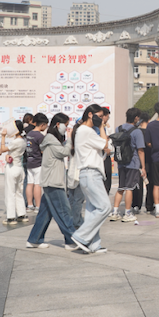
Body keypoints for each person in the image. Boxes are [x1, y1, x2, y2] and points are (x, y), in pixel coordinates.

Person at [26, 113, 77, 249]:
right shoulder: (51, 139)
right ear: (58, 124)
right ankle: (72, 240)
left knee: (44, 214)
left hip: (51, 180)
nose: (67, 128)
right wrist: (70, 139)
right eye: (66, 125)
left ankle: (34, 239)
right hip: (53, 182)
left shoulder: (51, 139)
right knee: (64, 212)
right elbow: (64, 152)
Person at [70, 104, 111, 254]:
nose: (101, 119)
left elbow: (103, 149)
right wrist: (101, 127)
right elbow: (104, 144)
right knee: (105, 207)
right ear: (90, 115)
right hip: (91, 173)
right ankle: (81, 236)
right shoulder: (86, 131)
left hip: (89, 174)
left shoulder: (84, 131)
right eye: (99, 117)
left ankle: (93, 244)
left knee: (92, 210)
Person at [109, 108, 146, 223]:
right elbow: (140, 150)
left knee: (121, 187)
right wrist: (143, 167)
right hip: (132, 163)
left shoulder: (118, 128)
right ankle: (127, 213)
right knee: (129, 188)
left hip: (121, 162)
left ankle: (115, 212)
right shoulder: (137, 132)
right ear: (136, 118)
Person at [0, 120, 28, 225]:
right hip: (19, 168)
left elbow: (2, 149)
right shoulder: (23, 140)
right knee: (18, 192)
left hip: (12, 168)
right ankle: (21, 214)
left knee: (10, 193)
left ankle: (11, 217)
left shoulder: (17, 141)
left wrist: (3, 137)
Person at [25, 113, 48, 213]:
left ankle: (30, 205)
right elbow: (43, 150)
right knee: (37, 184)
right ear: (42, 124)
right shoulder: (40, 136)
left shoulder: (29, 134)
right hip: (38, 163)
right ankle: (38, 206)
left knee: (30, 183)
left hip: (29, 162)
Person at [132, 112, 151, 214]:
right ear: (148, 120)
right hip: (150, 160)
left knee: (137, 184)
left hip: (137, 161)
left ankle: (136, 205)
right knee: (150, 184)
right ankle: (150, 205)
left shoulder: (136, 131)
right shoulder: (150, 131)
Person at [101, 107, 114, 193]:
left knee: (108, 177)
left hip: (107, 155)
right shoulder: (96, 128)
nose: (107, 119)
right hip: (100, 156)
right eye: (107, 117)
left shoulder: (106, 127)